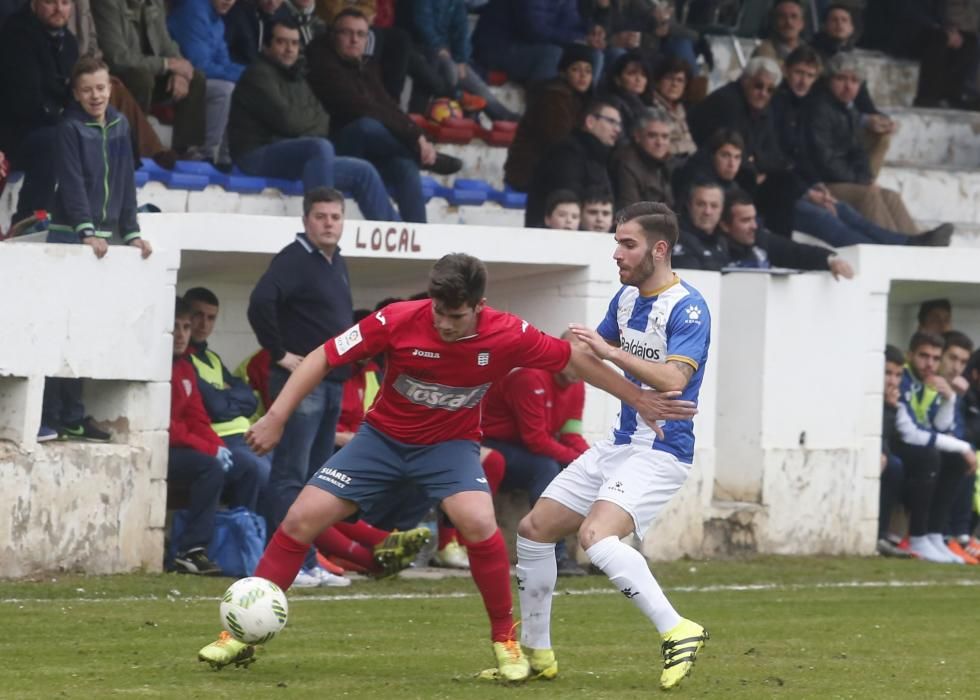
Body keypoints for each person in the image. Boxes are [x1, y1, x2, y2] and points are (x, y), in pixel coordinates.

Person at [198, 251, 698, 676]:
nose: (443, 323)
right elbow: (322, 357)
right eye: (439, 312)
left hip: (451, 447)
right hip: (381, 440)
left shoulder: (507, 333)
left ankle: (505, 640)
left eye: (455, 317)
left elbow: (571, 359)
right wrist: (278, 416)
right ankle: (239, 633)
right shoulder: (396, 320)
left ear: (479, 306)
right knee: (300, 518)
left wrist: (640, 399)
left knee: (480, 524)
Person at [514, 201, 709, 690]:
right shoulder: (624, 301)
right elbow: (578, 357)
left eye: (628, 244)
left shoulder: (688, 306)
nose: (617, 254)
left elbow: (672, 377)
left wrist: (610, 352)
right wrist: (583, 351)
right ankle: (536, 652)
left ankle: (678, 630)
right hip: (619, 443)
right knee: (535, 529)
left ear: (659, 250)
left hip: (662, 450)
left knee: (596, 537)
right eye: (616, 243)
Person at [40, 56, 154, 442]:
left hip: (104, 239)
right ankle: (53, 414)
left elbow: (125, 182)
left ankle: (73, 414)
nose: (95, 96)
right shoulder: (69, 127)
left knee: (87, 330)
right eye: (87, 89)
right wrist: (85, 230)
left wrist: (132, 231)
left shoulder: (121, 125)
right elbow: (70, 183)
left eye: (101, 88)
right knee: (62, 328)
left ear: (111, 88)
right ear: (75, 93)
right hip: (71, 236)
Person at [246, 186, 354, 587]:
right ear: (306, 220)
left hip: (331, 382)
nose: (329, 224)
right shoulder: (293, 260)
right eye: (321, 217)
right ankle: (287, 563)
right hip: (302, 383)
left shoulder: (334, 261)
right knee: (290, 474)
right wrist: (278, 353)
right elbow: (260, 302)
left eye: (335, 217)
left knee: (316, 478)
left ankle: (309, 559)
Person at [228, 17, 400, 220]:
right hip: (255, 155)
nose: (289, 49)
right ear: (266, 46)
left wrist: (300, 124)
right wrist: (302, 124)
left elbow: (323, 120)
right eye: (281, 42)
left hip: (296, 155)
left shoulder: (298, 76)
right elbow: (288, 121)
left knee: (364, 171)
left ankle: (397, 239)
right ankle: (321, 222)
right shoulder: (258, 75)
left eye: (294, 43)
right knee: (319, 147)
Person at [305, 8, 461, 224]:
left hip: (372, 150)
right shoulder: (323, 63)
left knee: (405, 167)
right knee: (367, 125)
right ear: (333, 35)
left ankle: (420, 241)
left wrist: (417, 135)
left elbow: (388, 106)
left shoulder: (366, 66)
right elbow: (359, 107)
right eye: (347, 33)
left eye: (361, 35)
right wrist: (415, 141)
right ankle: (422, 157)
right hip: (335, 145)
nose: (354, 40)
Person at [807, 53, 954, 242]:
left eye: (854, 80)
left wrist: (866, 176)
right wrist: (860, 180)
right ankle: (900, 249)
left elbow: (857, 152)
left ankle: (920, 244)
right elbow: (825, 161)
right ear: (829, 81)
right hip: (823, 184)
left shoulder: (848, 110)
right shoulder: (820, 108)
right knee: (869, 195)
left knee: (890, 196)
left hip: (844, 178)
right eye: (841, 78)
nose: (848, 86)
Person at [482, 330, 592, 577]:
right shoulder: (530, 378)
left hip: (528, 449)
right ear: (561, 352)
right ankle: (555, 556)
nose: (583, 362)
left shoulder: (577, 384)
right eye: (576, 353)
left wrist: (593, 461)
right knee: (546, 467)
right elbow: (536, 441)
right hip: (494, 445)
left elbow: (570, 434)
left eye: (589, 357)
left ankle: (600, 551)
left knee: (590, 473)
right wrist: (577, 459)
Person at [183, 287, 271, 519]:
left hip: (245, 436)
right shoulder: (183, 359)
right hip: (216, 439)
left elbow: (250, 399)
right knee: (258, 471)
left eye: (210, 317)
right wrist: (225, 397)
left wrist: (222, 397)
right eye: (197, 315)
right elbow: (214, 407)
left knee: (288, 474)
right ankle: (245, 541)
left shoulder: (213, 358)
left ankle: (270, 545)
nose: (204, 324)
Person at [893, 331, 978, 563]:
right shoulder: (904, 379)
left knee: (954, 459)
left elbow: (940, 427)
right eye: (923, 356)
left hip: (917, 448)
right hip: (897, 445)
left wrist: (949, 399)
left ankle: (935, 534)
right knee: (932, 456)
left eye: (935, 358)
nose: (929, 364)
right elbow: (910, 433)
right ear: (910, 355)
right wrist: (963, 446)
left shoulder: (929, 383)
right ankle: (918, 537)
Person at [92, 0, 208, 157]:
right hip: (117, 76)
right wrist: (166, 64)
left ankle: (185, 153)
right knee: (141, 78)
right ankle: (135, 148)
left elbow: (166, 44)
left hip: (150, 71)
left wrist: (180, 71)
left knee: (195, 79)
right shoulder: (107, 3)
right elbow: (116, 57)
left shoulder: (154, 3)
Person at [0, 0, 79, 229]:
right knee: (54, 142)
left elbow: (71, 95)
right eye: (50, 2)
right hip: (14, 133)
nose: (58, 8)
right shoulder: (16, 33)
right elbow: (26, 102)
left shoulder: (70, 42)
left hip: (49, 126)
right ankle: (27, 223)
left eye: (65, 2)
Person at [168, 296, 227, 576]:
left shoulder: (185, 366)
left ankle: (235, 544)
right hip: (162, 449)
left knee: (241, 469)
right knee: (209, 467)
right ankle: (191, 549)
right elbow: (168, 427)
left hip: (183, 447)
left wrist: (218, 445)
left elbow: (197, 417)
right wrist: (209, 450)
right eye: (175, 327)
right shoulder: (159, 367)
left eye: (186, 327)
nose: (181, 335)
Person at [809, 3, 896, 175]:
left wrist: (883, 120)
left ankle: (866, 181)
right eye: (834, 20)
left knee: (882, 136)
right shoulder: (812, 54)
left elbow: (865, 104)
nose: (839, 24)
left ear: (851, 28)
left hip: (849, 123)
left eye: (844, 20)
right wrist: (863, 119)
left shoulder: (852, 58)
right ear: (824, 26)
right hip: (826, 127)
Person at [504, 43, 595, 192]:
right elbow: (559, 140)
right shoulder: (553, 97)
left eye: (588, 71)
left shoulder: (583, 99)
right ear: (563, 73)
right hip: (530, 175)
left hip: (554, 172)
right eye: (575, 69)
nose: (583, 76)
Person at [409, 0, 519, 121]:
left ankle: (504, 116)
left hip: (447, 52)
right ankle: (447, 112)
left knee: (476, 84)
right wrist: (439, 47)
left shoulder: (456, 3)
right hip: (422, 47)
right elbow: (422, 23)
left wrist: (461, 59)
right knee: (449, 69)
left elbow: (461, 30)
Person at [168, 0, 248, 165]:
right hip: (172, 80)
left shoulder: (217, 21)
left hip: (195, 80)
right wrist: (246, 76)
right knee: (224, 89)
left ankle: (227, 157)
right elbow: (200, 66)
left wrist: (251, 75)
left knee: (242, 88)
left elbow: (224, 63)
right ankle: (204, 154)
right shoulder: (194, 9)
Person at [525, 99, 621, 228]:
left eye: (619, 124)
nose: (617, 129)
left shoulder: (599, 155)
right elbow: (567, 198)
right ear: (590, 122)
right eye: (611, 122)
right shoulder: (567, 153)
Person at [718, 188, 855, 279]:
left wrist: (831, 260)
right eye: (745, 220)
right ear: (725, 225)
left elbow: (796, 252)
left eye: (754, 219)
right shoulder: (715, 250)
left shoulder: (760, 239)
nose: (754, 226)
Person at [925, 331, 978, 563]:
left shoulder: (958, 393)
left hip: (937, 449)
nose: (957, 367)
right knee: (958, 457)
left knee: (963, 455)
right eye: (952, 358)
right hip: (922, 451)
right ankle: (945, 535)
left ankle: (960, 536)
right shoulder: (927, 385)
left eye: (963, 362)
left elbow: (958, 430)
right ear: (941, 357)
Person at [471, 0, 588, 85]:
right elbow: (534, 31)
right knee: (551, 54)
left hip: (528, 46)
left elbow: (572, 24)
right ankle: (538, 111)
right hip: (496, 48)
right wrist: (574, 39)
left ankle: (590, 114)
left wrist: (590, 33)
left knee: (592, 54)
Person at [878, 344, 911, 558]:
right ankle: (878, 534)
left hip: (884, 453)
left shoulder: (895, 401)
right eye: (888, 373)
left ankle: (886, 535)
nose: (893, 381)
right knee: (893, 465)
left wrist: (891, 408)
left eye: (898, 375)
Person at [611, 107, 675, 212]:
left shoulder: (668, 163)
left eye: (665, 137)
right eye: (652, 135)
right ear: (637, 136)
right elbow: (630, 213)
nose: (659, 142)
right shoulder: (626, 163)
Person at [670, 181, 726, 270]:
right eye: (701, 204)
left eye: (714, 206)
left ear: (722, 209)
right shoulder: (675, 239)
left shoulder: (723, 242)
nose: (707, 212)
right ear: (689, 206)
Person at [651, 56, 696, 161]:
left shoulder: (679, 108)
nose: (674, 84)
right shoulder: (652, 107)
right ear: (658, 81)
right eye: (669, 78)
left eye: (680, 80)